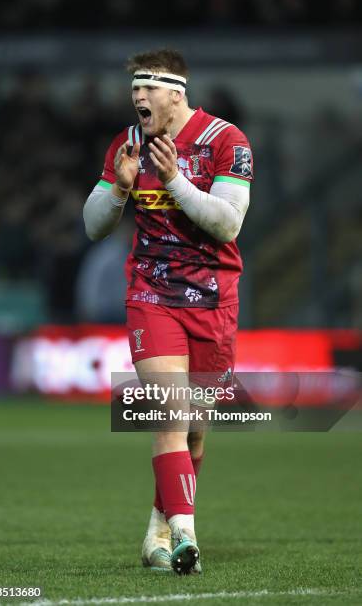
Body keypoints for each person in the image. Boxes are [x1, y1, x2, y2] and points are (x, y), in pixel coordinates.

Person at [83, 49, 253, 575]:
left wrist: (175, 181)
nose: (138, 98)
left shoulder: (227, 142)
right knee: (170, 414)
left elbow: (227, 225)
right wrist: (121, 189)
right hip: (151, 297)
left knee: (196, 428)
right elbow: (93, 225)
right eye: (134, 90)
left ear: (175, 92)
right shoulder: (126, 145)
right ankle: (185, 537)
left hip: (213, 300)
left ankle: (158, 529)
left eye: (147, 89)